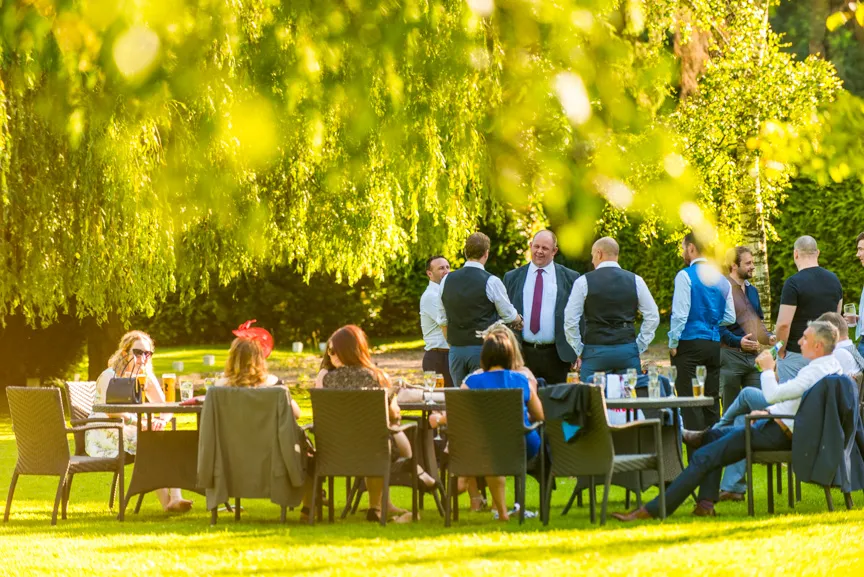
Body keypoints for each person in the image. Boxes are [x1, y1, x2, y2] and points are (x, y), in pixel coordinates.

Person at [613, 320, 842, 521]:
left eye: (805, 338)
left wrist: (767, 369)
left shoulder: (813, 372)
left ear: (818, 346)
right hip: (781, 426)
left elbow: (772, 394)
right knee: (712, 437)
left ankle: (653, 510)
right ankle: (705, 505)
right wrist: (770, 412)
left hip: (778, 433)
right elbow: (797, 403)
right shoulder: (830, 367)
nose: (800, 341)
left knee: (704, 455)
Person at [315, 324, 436, 523]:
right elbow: (394, 416)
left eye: (333, 351)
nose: (331, 355)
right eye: (330, 351)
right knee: (382, 439)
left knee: (373, 440)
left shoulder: (327, 380)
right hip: (375, 449)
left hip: (335, 450)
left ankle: (380, 506)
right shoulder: (377, 378)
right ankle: (379, 505)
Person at [86, 330, 193, 513]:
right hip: (105, 431)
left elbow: (164, 407)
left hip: (132, 429)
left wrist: (161, 422)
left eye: (147, 353)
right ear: (125, 352)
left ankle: (174, 499)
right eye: (138, 352)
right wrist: (140, 424)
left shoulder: (144, 376)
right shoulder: (111, 375)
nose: (143, 357)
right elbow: (112, 413)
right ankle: (170, 501)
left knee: (161, 438)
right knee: (151, 441)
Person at [220, 335, 313, 520]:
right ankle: (309, 507)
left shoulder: (219, 387)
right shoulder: (273, 385)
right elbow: (296, 413)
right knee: (308, 454)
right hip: (272, 458)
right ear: (260, 359)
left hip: (233, 457)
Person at [462, 327, 544, 521]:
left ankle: (502, 512)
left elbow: (459, 414)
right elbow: (540, 415)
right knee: (495, 451)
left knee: (492, 451)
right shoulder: (522, 380)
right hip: (523, 442)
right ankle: (503, 512)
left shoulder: (472, 382)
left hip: (487, 443)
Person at [563, 237, 660, 382]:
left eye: (592, 256)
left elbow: (570, 320)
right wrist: (638, 346)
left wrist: (580, 349)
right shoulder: (636, 280)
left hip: (595, 351)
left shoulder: (583, 281)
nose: (592, 261)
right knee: (630, 399)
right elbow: (653, 316)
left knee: (593, 400)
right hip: (627, 350)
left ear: (599, 253)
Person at [668, 233, 736, 429]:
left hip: (689, 345)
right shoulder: (723, 280)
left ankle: (696, 456)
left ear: (691, 248)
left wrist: (673, 343)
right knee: (711, 401)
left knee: (690, 402)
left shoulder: (685, 275)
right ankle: (713, 453)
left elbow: (680, 316)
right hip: (713, 345)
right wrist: (712, 320)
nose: (683, 252)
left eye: (683, 248)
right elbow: (730, 317)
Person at [438, 232, 523, 386]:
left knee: (461, 400)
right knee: (482, 398)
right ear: (486, 253)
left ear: (465, 252)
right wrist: (519, 320)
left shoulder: (446, 280)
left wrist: (453, 344)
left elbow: (442, 319)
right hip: (481, 350)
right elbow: (509, 315)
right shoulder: (491, 281)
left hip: (456, 351)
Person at [503, 230, 579, 385]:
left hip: (558, 355)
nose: (539, 251)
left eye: (545, 248)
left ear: (554, 251)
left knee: (558, 404)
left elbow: (580, 316)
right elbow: (503, 315)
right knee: (522, 403)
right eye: (536, 246)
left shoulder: (571, 278)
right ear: (530, 246)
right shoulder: (512, 277)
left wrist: (579, 351)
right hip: (521, 354)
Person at [774, 236, 843, 382]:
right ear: (817, 253)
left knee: (791, 403)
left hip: (796, 354)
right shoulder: (834, 280)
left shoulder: (792, 283)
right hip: (824, 355)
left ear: (796, 254)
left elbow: (783, 325)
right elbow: (836, 319)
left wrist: (780, 351)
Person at [719, 246, 776, 411]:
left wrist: (768, 337)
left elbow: (757, 324)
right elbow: (716, 326)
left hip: (753, 359)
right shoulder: (721, 290)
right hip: (730, 357)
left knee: (759, 406)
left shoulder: (753, 291)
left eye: (753, 262)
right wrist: (738, 342)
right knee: (731, 409)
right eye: (748, 263)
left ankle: (753, 436)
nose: (752, 266)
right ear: (734, 265)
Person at [420, 255, 453, 387]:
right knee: (438, 402)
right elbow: (450, 320)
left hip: (447, 355)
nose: (446, 271)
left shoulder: (445, 292)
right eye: (441, 268)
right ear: (430, 273)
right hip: (437, 358)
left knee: (455, 401)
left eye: (447, 267)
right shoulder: (430, 296)